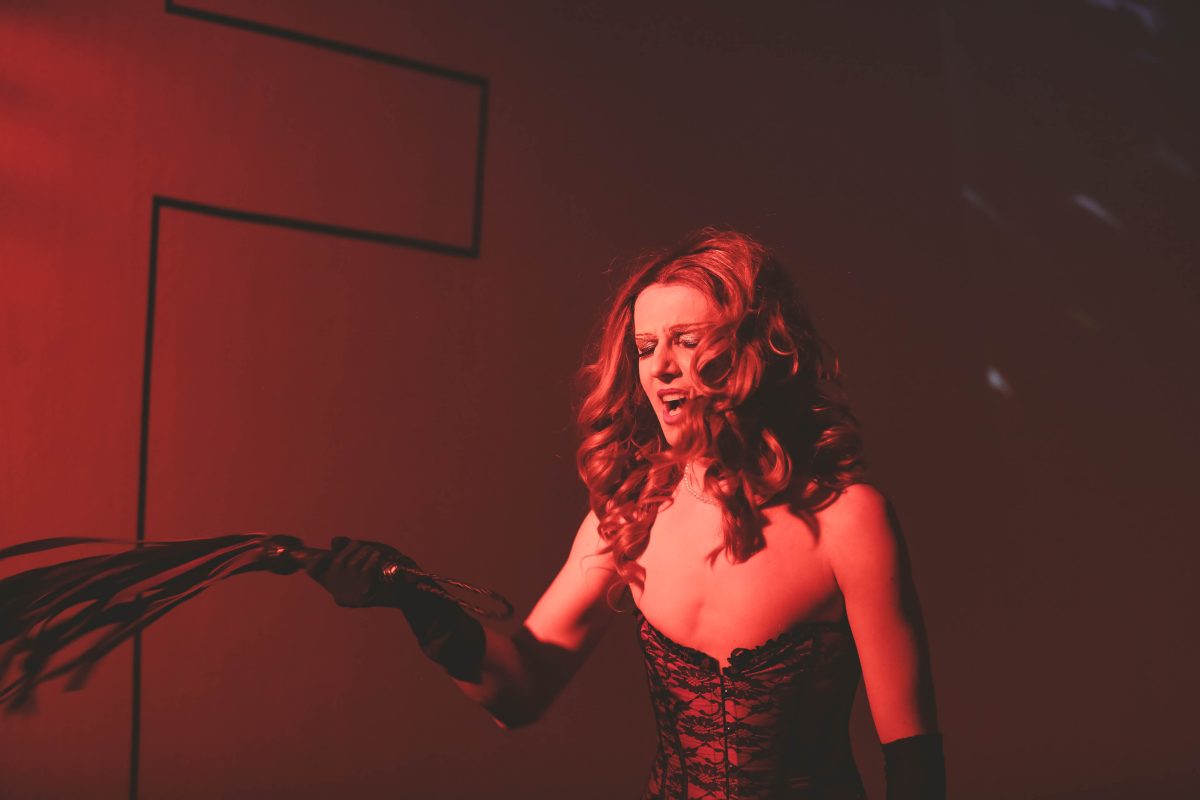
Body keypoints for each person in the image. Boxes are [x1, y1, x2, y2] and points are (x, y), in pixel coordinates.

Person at [307, 229, 945, 799]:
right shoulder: (630, 519)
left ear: (755, 350)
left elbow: (913, 759)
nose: (660, 366)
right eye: (645, 346)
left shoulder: (846, 520)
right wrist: (422, 606)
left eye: (686, 341)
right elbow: (520, 693)